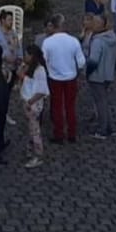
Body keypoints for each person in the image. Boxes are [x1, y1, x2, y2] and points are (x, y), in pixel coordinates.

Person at [41, 14, 86, 143]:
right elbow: (81, 62)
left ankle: (59, 134)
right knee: (70, 106)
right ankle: (72, 133)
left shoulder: (47, 42)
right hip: (71, 78)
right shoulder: (73, 41)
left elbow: (43, 60)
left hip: (55, 78)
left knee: (57, 107)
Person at [86, 14, 116, 139]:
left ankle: (102, 130)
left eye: (95, 22)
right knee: (104, 101)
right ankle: (109, 127)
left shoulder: (97, 41)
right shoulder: (113, 37)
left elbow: (93, 61)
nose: (92, 24)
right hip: (108, 74)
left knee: (100, 103)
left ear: (101, 25)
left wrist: (87, 73)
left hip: (97, 76)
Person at [18, 44, 49, 168]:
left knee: (35, 131)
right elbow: (20, 75)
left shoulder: (40, 71)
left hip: (33, 104)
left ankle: (38, 155)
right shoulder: (29, 67)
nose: (24, 57)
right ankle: (31, 149)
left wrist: (30, 102)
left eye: (26, 55)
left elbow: (41, 91)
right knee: (31, 129)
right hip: (28, 102)